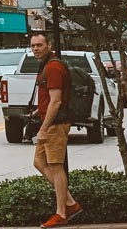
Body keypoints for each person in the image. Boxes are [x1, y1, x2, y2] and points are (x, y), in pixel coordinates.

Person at [30, 31, 83, 227]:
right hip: (49, 122)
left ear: (49, 45)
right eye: (33, 45)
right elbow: (50, 100)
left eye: (39, 45)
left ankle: (61, 213)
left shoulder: (52, 67)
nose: (36, 48)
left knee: (55, 166)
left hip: (55, 125)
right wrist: (39, 110)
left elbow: (56, 101)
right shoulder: (47, 66)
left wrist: (43, 129)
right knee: (39, 162)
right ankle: (70, 202)